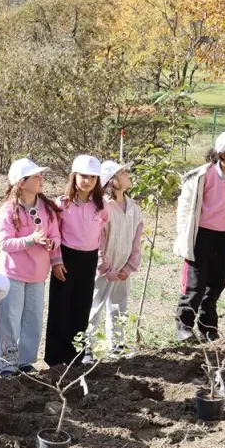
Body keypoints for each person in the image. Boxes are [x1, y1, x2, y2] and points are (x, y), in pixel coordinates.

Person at [174, 130, 225, 341]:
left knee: (216, 285)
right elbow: (185, 207)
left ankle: (208, 327)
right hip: (201, 237)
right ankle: (183, 326)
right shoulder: (202, 175)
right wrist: (184, 236)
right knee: (195, 284)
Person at [0, 159, 63, 377]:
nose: (40, 178)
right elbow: (5, 243)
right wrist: (30, 240)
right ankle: (6, 365)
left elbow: (55, 235)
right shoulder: (8, 210)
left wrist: (53, 248)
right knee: (10, 319)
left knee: (33, 320)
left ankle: (25, 362)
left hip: (38, 275)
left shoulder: (48, 208)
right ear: (21, 183)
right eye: (35, 176)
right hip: (13, 275)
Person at [44, 155, 108, 367]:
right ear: (74, 176)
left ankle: (76, 355)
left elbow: (103, 230)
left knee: (82, 306)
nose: (87, 181)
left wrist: (101, 258)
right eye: (83, 176)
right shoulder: (61, 204)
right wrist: (56, 261)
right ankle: (55, 357)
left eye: (92, 177)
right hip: (66, 258)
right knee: (61, 306)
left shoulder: (101, 206)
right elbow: (54, 234)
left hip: (88, 259)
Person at [90, 161, 143, 353]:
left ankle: (117, 345)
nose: (128, 174)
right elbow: (98, 240)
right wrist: (105, 267)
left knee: (119, 304)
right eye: (123, 172)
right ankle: (88, 347)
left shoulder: (132, 206)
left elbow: (137, 238)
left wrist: (129, 267)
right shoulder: (103, 207)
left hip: (123, 266)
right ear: (113, 180)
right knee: (95, 304)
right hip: (105, 267)